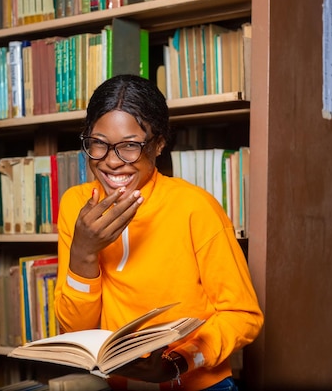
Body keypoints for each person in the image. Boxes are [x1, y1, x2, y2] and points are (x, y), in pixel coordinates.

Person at [53, 74, 263, 391]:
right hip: (117, 385)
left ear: (159, 144)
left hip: (197, 383)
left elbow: (243, 315)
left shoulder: (196, 206)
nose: (111, 162)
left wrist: (181, 360)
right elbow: (75, 329)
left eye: (130, 146)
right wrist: (83, 252)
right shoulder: (77, 206)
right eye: (98, 143)